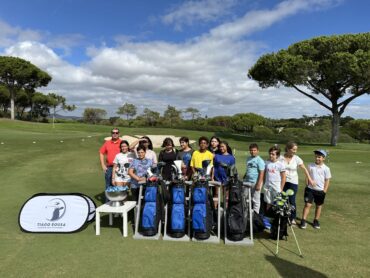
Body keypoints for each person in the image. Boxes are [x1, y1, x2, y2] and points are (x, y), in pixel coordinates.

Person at [279, 142, 314, 224]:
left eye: (296, 150)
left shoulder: (296, 158)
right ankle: (283, 217)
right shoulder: (280, 157)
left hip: (293, 182)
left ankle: (292, 218)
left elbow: (304, 169)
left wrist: (310, 179)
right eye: (293, 149)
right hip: (282, 181)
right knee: (282, 199)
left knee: (292, 200)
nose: (295, 151)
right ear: (288, 149)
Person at [300, 149, 332, 229]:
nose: (317, 158)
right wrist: (307, 185)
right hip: (310, 189)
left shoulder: (326, 168)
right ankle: (303, 220)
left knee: (318, 206)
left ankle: (316, 220)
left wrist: (324, 191)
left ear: (323, 158)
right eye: (316, 157)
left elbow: (327, 180)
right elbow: (308, 176)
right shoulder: (310, 165)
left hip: (320, 191)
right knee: (308, 204)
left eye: (319, 157)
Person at [244, 143, 265, 214]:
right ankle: (246, 213)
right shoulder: (248, 159)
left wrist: (259, 184)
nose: (253, 152)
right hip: (247, 182)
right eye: (251, 150)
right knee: (245, 198)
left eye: (254, 150)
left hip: (255, 182)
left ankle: (256, 215)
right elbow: (248, 170)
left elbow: (261, 173)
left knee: (255, 200)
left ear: (258, 151)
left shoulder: (260, 160)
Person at [263, 145, 286, 212]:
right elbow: (264, 175)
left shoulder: (280, 164)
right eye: (270, 153)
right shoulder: (266, 163)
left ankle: (276, 220)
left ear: (277, 156)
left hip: (276, 187)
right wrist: (264, 183)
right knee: (268, 202)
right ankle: (268, 217)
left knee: (277, 204)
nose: (271, 155)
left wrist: (281, 188)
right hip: (267, 186)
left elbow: (283, 177)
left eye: (273, 154)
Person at [213, 141, 235, 208]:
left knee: (226, 196)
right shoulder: (216, 156)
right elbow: (213, 167)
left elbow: (232, 169)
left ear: (226, 147)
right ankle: (215, 209)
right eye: (220, 147)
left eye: (223, 146)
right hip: (217, 178)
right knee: (216, 194)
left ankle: (226, 210)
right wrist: (212, 177)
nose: (221, 148)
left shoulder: (231, 157)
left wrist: (230, 179)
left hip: (226, 179)